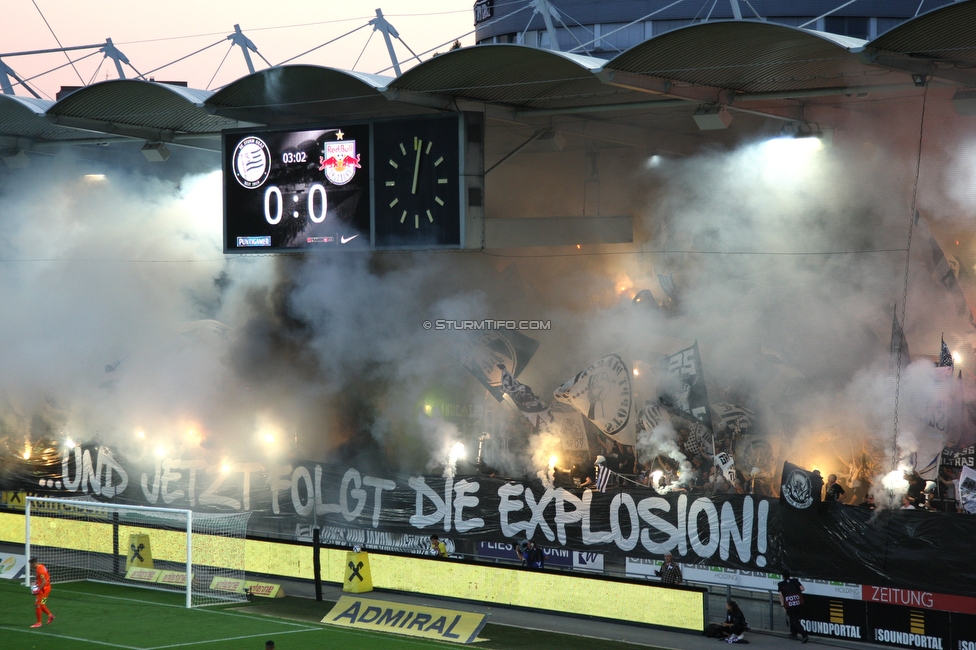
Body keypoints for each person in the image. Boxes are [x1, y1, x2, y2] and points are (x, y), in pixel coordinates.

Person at [778, 569, 808, 643]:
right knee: (793, 618)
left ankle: (804, 635)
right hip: (798, 603)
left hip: (789, 605)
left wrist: (782, 606)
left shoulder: (781, 584)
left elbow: (781, 596)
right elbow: (802, 588)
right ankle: (793, 634)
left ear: (783, 576)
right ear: (790, 575)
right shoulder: (795, 581)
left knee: (794, 620)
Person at [28, 557, 54, 628]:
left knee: (37, 604)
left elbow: (44, 581)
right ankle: (50, 615)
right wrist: (36, 583)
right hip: (47, 589)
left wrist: (38, 589)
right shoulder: (41, 566)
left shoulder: (40, 570)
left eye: (31, 565)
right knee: (42, 604)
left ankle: (39, 622)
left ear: (34, 563)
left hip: (43, 590)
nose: (30, 566)